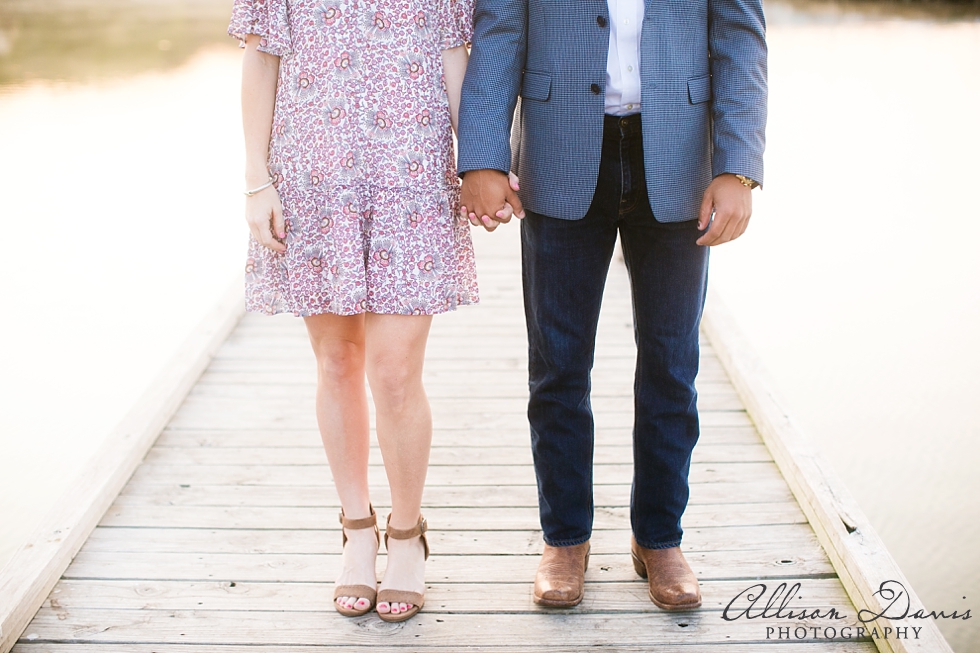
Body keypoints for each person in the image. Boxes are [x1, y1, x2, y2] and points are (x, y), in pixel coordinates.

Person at [457, 0, 767, 609]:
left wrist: (739, 168)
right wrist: (484, 157)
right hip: (559, 151)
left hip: (677, 158)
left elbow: (741, 40)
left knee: (672, 367)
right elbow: (496, 36)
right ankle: (565, 538)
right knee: (558, 368)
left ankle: (659, 537)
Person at [228, 0, 514, 622]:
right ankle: (357, 531)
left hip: (411, 179)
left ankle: (407, 536)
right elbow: (260, 61)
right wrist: (257, 180)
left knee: (393, 372)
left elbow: (454, 62)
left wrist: (484, 165)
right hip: (312, 178)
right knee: (337, 361)